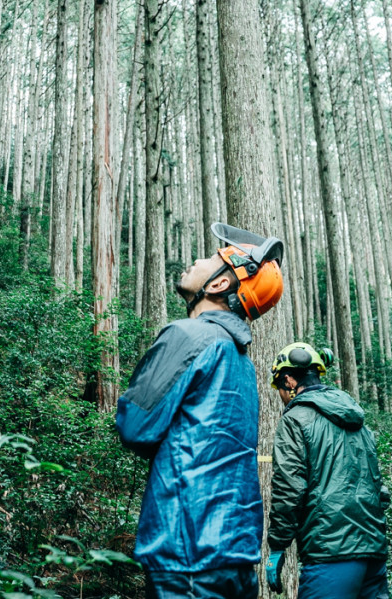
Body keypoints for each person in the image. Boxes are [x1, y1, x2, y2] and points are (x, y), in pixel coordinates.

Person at [116, 223, 285, 599]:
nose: (196, 260)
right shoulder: (240, 360)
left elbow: (135, 426)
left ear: (219, 285)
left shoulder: (190, 336)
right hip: (234, 553)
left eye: (211, 259)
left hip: (187, 547)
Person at [265, 342, 390, 599]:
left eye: (279, 387)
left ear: (288, 381)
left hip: (330, 553)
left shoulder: (295, 418)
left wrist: (277, 546)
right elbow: (380, 488)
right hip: (373, 553)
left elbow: (289, 488)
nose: (280, 394)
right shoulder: (356, 416)